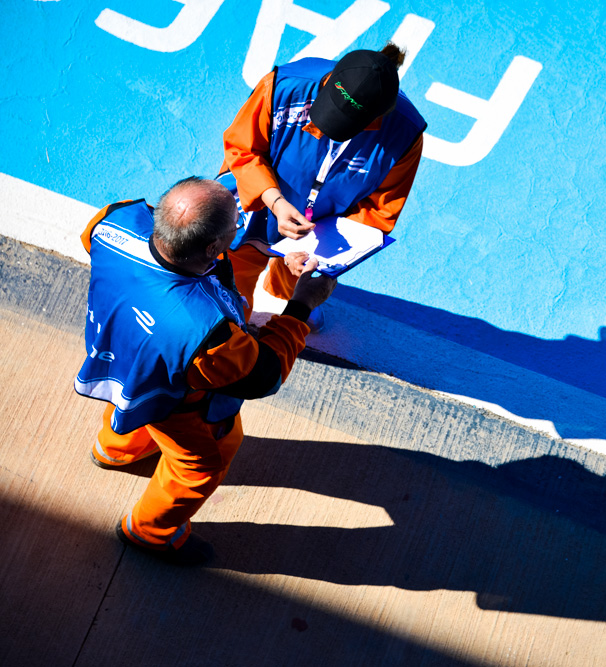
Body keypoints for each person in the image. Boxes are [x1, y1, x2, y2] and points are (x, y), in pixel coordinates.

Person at [75, 177, 336, 565]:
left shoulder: (112, 219)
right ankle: (149, 533)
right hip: (174, 398)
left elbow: (98, 246)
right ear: (213, 247)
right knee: (201, 463)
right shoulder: (206, 333)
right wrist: (299, 307)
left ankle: (114, 450)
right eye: (237, 223)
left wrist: (268, 255)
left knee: (129, 405)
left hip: (118, 357)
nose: (240, 224)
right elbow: (264, 375)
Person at [218, 42, 427, 320]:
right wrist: (276, 202)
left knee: (296, 284)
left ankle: (283, 294)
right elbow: (243, 149)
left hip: (319, 226)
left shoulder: (405, 136)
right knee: (229, 301)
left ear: (377, 119)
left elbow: (378, 210)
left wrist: (318, 251)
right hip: (254, 200)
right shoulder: (282, 86)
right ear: (329, 80)